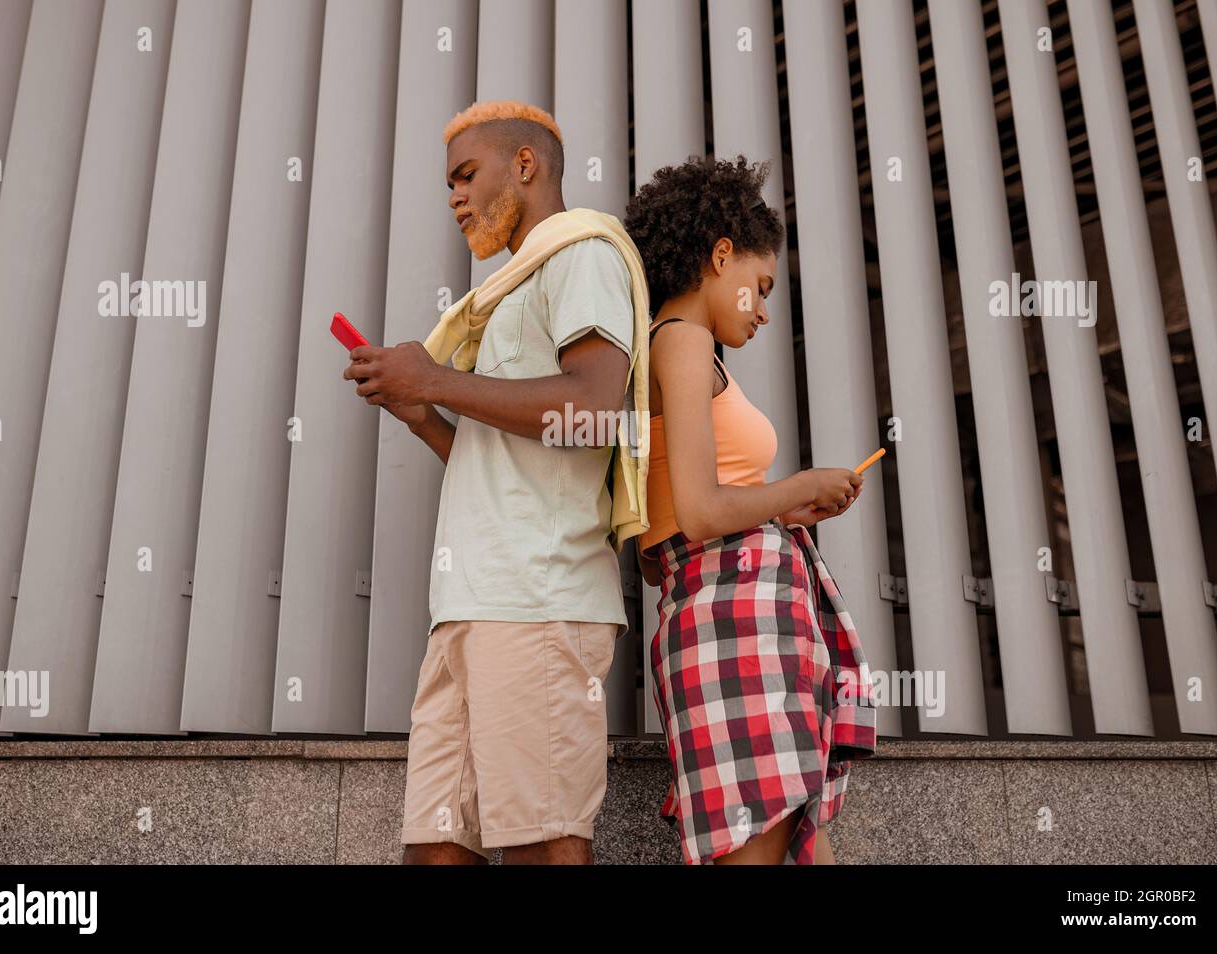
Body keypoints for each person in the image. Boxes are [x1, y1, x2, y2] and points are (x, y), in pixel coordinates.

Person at [342, 101, 652, 865]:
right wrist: (425, 413)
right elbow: (512, 466)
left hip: (537, 605)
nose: (453, 197)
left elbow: (590, 409)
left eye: (465, 176)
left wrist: (441, 377)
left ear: (525, 165)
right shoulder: (511, 291)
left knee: (543, 849)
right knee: (436, 851)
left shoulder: (583, 254)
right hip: (469, 609)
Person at [624, 154, 878, 865]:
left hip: (744, 626)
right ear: (720, 255)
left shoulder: (687, 354)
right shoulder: (681, 340)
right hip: (729, 627)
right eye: (759, 287)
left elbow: (664, 540)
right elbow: (700, 514)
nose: (764, 310)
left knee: (799, 849)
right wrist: (795, 492)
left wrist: (780, 513)